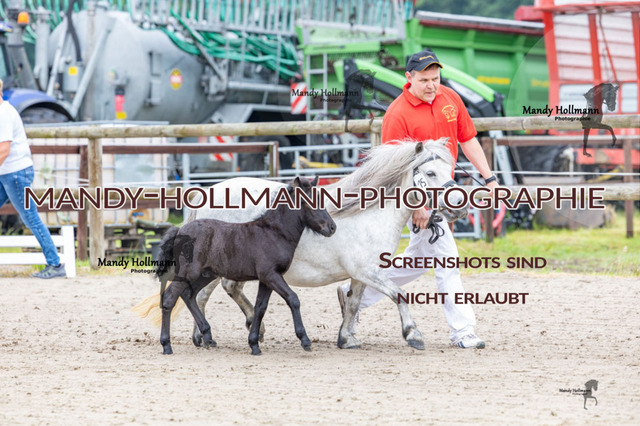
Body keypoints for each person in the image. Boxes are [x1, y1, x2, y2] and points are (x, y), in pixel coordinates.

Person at [338, 49, 498, 348]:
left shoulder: (450, 98)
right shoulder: (397, 114)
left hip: (443, 190)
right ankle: (463, 331)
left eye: (435, 78)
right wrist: (418, 206)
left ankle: (355, 294)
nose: (432, 85)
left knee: (420, 260)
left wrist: (489, 178)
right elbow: (395, 170)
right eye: (424, 80)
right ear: (409, 77)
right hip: (417, 198)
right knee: (447, 259)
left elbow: (467, 139)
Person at [0, 78, 66, 279]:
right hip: (7, 172)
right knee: (31, 218)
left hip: (15, 173)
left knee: (31, 219)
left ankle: (55, 264)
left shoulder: (4, 114)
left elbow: (4, 150)